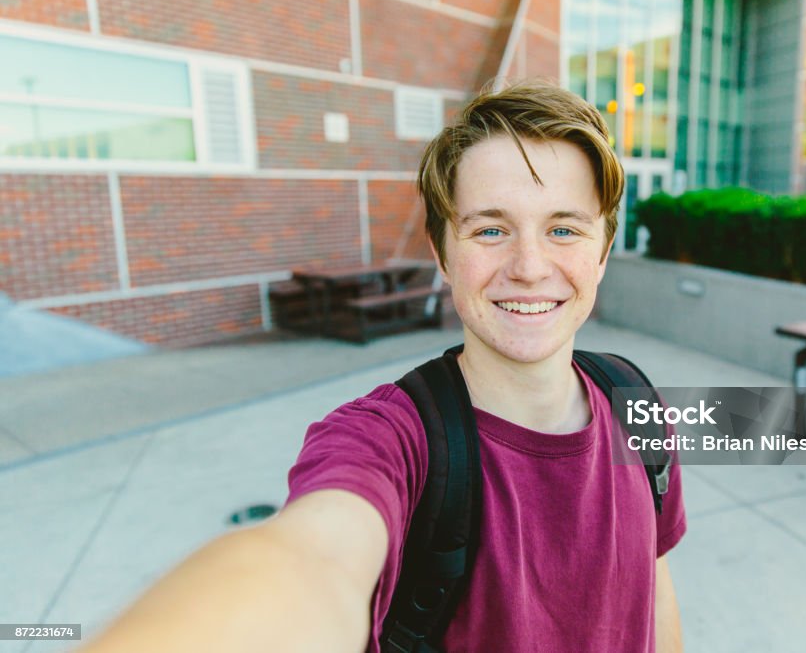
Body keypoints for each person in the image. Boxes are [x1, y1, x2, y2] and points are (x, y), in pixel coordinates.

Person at [78, 81, 686, 653]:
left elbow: (653, 581)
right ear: (442, 254)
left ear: (603, 252)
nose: (529, 265)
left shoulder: (637, 396)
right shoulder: (388, 439)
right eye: (491, 229)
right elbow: (310, 559)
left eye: (563, 229)